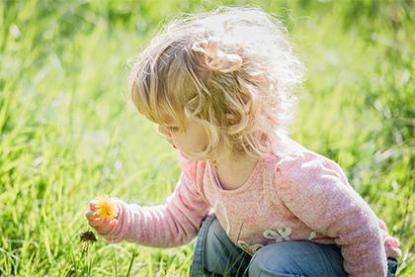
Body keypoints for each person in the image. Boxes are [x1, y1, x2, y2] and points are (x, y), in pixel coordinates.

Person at [85, 6, 401, 276]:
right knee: (213, 234)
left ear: (229, 118)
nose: (162, 133)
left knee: (272, 262)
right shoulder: (201, 167)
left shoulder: (289, 175)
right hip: (281, 257)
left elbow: (360, 230)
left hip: (357, 262)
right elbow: (177, 220)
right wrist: (123, 220)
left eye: (173, 125)